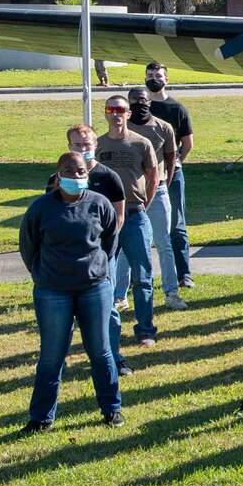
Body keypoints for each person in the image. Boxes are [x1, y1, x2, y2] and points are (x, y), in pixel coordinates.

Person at [19, 151, 122, 430]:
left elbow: (110, 241)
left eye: (81, 172)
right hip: (52, 291)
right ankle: (41, 417)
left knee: (101, 351)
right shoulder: (41, 208)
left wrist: (95, 270)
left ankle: (112, 409)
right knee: (52, 356)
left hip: (94, 288)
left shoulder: (99, 204)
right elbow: (29, 247)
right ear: (57, 175)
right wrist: (45, 275)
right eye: (69, 170)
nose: (76, 176)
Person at [95, 94, 160, 366]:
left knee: (142, 275)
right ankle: (106, 330)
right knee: (105, 276)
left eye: (121, 109)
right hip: (105, 219)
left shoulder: (141, 142)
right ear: (106, 113)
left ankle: (145, 330)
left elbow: (154, 175)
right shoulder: (98, 145)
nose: (116, 114)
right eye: (111, 109)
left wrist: (144, 203)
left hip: (135, 216)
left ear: (129, 113)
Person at [125, 86, 184, 312]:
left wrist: (162, 185)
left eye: (142, 99)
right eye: (134, 100)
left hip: (157, 191)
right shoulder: (124, 128)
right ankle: (121, 294)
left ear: (149, 101)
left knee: (164, 243)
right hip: (131, 195)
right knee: (125, 246)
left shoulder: (163, 128)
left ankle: (171, 292)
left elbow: (171, 161)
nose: (138, 103)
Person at [143, 62, 196, 292]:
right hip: (142, 174)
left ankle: (184, 274)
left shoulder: (177, 109)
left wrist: (176, 162)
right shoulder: (140, 108)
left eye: (158, 75)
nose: (154, 78)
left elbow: (187, 142)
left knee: (176, 224)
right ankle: (141, 276)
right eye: (150, 75)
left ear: (167, 80)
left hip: (171, 175)